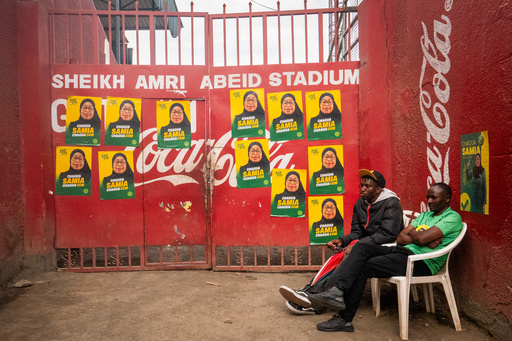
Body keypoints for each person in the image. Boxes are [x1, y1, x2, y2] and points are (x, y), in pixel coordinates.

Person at [308, 183, 463, 333]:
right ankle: (336, 291)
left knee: (363, 267)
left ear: (447, 198)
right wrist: (422, 237)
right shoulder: (425, 215)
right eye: (427, 197)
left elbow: (420, 238)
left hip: (421, 262)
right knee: (360, 247)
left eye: (433, 198)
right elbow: (401, 237)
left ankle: (344, 318)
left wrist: (419, 236)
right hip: (402, 251)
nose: (429, 201)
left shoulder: (452, 217)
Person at [280, 169, 403, 314]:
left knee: (349, 256)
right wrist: (342, 241)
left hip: (387, 248)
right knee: (337, 257)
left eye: (367, 186)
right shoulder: (360, 203)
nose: (362, 189)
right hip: (366, 245)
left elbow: (388, 234)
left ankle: (313, 302)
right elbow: (358, 232)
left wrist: (357, 245)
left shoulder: (391, 203)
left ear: (378, 189)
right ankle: (310, 291)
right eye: (362, 185)